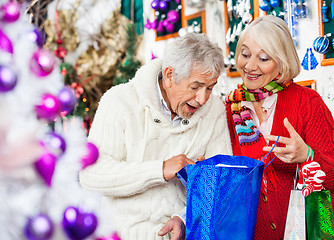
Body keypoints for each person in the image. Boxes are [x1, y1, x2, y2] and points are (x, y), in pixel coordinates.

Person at [79, 33, 232, 240]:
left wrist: (184, 219)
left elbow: (223, 183)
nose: (203, 98)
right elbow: (91, 175)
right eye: (195, 87)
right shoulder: (118, 101)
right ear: (169, 75)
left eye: (210, 88)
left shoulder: (214, 111)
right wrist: (159, 170)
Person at [225, 15, 334, 240]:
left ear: (282, 63)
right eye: (245, 54)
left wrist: (307, 155)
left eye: (263, 58)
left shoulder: (308, 102)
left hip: (316, 230)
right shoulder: (229, 108)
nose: (250, 66)